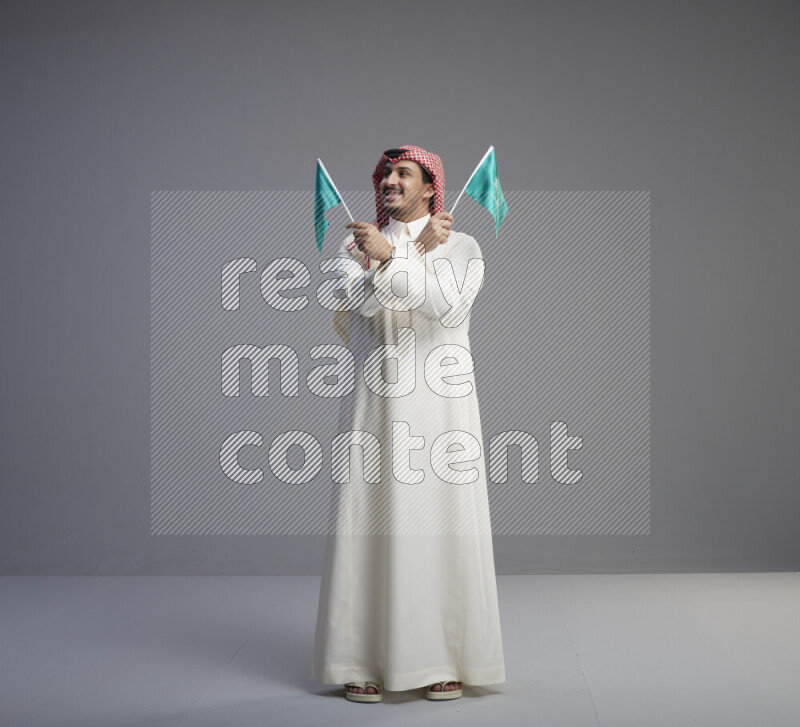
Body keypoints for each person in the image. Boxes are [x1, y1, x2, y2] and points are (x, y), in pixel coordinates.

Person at [311, 145, 506, 703]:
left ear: (429, 187)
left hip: (441, 408)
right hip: (374, 406)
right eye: (386, 174)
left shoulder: (463, 247)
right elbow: (354, 302)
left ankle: (443, 658)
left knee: (441, 521)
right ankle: (362, 660)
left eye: (404, 173)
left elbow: (448, 309)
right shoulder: (355, 244)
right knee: (367, 522)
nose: (390, 181)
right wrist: (389, 257)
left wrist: (394, 260)